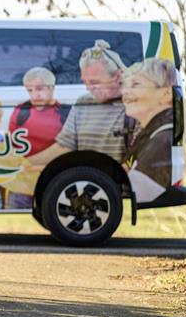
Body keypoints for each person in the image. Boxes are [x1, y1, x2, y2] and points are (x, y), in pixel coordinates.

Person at [27, 39, 133, 167]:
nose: (88, 88)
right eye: (85, 82)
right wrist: (23, 165)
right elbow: (64, 147)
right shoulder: (83, 103)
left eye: (94, 82)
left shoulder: (137, 105)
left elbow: (142, 157)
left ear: (117, 76)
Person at [6, 67, 70, 208]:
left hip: (53, 182)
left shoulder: (66, 113)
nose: (35, 95)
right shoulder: (20, 111)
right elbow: (11, 148)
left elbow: (70, 150)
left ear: (52, 88)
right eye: (30, 90)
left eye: (40, 89)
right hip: (23, 185)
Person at [121, 58, 175, 202]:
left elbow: (139, 192)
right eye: (124, 85)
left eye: (136, 84)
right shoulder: (149, 135)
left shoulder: (162, 140)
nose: (125, 91)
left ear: (166, 94)